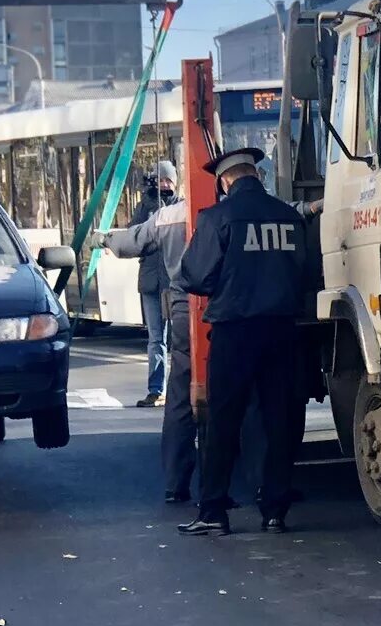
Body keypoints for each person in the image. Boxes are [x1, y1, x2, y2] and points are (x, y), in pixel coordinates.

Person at [174, 145, 316, 536]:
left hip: (235, 332)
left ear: (225, 181)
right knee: (279, 419)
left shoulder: (217, 218)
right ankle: (274, 511)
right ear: (257, 175)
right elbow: (308, 275)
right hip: (284, 331)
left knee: (222, 421)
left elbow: (195, 277)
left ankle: (214, 511)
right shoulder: (289, 218)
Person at [106, 173, 195, 501]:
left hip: (181, 302)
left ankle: (177, 484)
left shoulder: (167, 216)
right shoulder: (220, 209)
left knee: (181, 398)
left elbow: (131, 240)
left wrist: (107, 239)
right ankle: (260, 486)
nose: (165, 186)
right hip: (222, 307)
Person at [124, 160, 178, 407]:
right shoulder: (145, 205)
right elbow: (133, 235)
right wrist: (148, 202)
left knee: (181, 339)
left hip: (175, 283)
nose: (165, 184)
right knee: (156, 339)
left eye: (168, 180)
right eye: (161, 180)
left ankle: (180, 388)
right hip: (150, 283)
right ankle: (156, 390)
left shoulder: (180, 206)